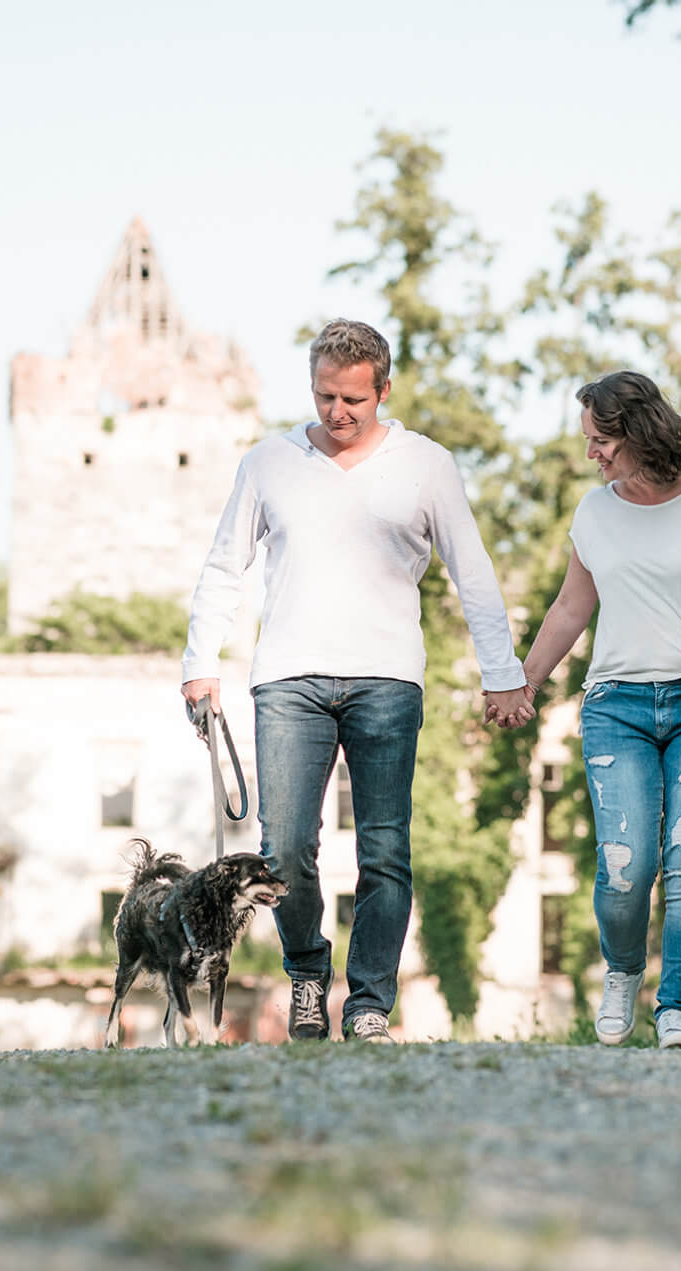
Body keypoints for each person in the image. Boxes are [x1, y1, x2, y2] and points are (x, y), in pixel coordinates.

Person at [181, 319, 531, 1044]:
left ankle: (370, 999)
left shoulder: (426, 464)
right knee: (284, 850)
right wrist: (200, 663)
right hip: (287, 677)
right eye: (324, 397)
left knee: (384, 848)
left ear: (384, 389)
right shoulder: (267, 464)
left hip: (387, 678)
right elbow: (224, 566)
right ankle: (308, 974)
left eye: (352, 400)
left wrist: (502, 674)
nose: (337, 413)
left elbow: (474, 572)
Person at [516, 370, 681, 1049]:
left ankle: (678, 1008)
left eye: (601, 440)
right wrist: (524, 682)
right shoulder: (594, 512)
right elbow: (572, 606)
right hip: (615, 707)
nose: (592, 454)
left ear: (639, 432)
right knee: (625, 864)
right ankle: (623, 969)